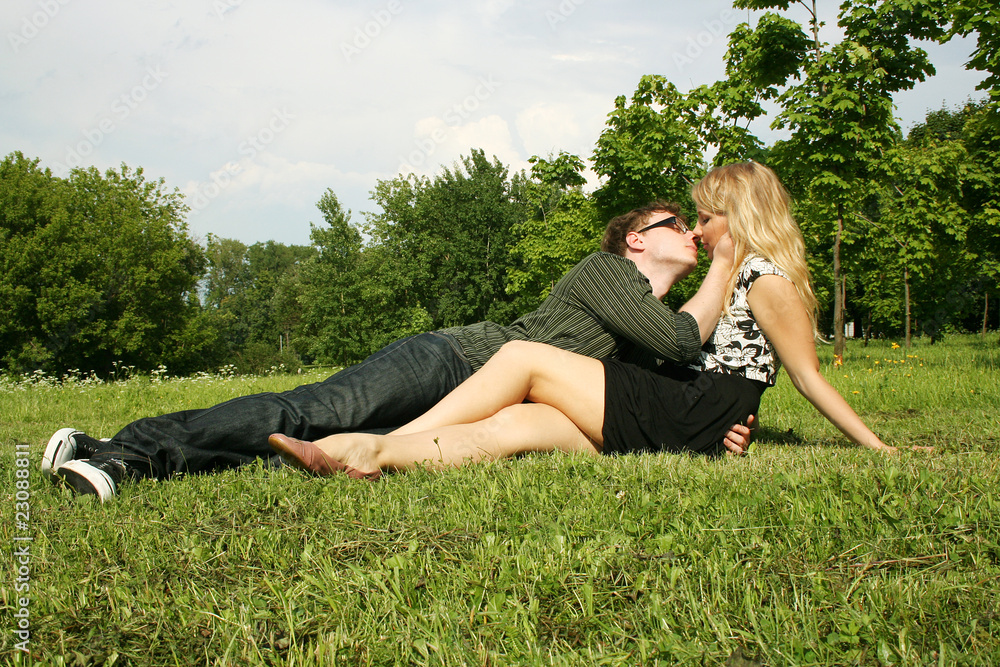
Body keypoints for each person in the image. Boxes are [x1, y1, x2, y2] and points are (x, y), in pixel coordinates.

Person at [46, 201, 751, 500]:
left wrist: (727, 422)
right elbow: (682, 338)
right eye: (676, 222)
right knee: (318, 406)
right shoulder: (608, 274)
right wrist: (726, 256)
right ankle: (128, 450)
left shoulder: (654, 324)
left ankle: (119, 446)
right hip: (455, 362)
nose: (690, 230)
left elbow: (662, 395)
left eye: (696, 226)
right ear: (635, 238)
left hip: (472, 407)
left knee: (327, 439)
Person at [268, 161, 906, 479]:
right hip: (691, 418)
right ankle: (377, 458)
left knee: (522, 357)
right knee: (516, 425)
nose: (699, 232)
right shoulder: (728, 278)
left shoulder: (764, 278)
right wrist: (736, 426)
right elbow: (730, 363)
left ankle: (386, 438)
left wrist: (881, 449)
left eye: (706, 219)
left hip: (687, 414)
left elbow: (806, 377)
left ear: (737, 218)